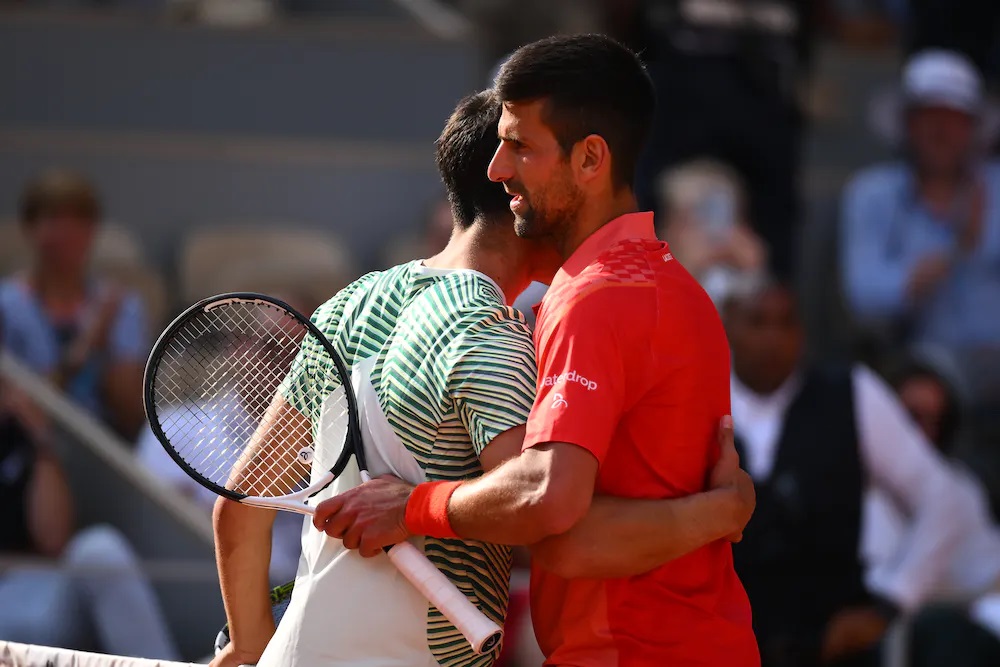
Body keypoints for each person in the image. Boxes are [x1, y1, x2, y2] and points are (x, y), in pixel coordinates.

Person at [214, 87, 755, 667]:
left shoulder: (348, 305)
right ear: (516, 192)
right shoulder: (493, 336)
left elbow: (240, 505)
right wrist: (721, 511)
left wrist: (249, 641)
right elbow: (549, 520)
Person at [723, 278, 968, 667]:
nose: (773, 338)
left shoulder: (852, 393)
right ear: (729, 326)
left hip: (833, 646)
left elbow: (944, 500)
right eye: (758, 322)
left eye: (786, 323)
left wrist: (892, 600)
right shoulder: (699, 400)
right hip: (727, 645)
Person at [0, 321, 178, 659]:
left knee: (99, 549)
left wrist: (40, 437)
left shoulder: (19, 424)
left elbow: (53, 538)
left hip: (37, 588)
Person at [842, 50, 1000, 352]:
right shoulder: (872, 194)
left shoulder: (995, 186)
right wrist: (956, 252)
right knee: (925, 395)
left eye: (955, 119)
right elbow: (864, 296)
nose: (942, 131)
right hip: (918, 362)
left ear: (973, 128)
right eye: (929, 117)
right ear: (907, 125)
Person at [0, 170, 148, 440]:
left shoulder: (121, 306)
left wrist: (106, 350)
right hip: (25, 447)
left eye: (79, 221)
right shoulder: (6, 307)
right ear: (30, 227)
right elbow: (17, 409)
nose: (67, 234)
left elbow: (131, 418)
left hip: (106, 448)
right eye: (54, 219)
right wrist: (83, 347)